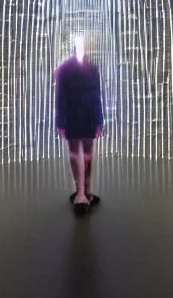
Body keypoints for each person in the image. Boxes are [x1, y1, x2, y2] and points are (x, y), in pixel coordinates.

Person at [55, 36, 103, 215]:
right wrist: (60, 121)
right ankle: (80, 193)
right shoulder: (65, 70)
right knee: (76, 154)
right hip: (73, 116)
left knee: (88, 154)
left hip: (88, 116)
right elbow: (60, 96)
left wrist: (99, 120)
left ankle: (86, 192)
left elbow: (97, 96)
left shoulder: (92, 69)